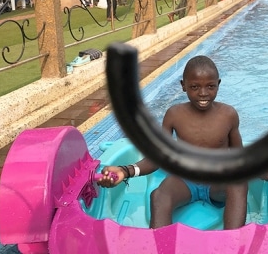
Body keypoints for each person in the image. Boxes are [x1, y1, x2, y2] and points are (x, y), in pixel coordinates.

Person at [98, 55, 248, 230]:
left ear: (218, 84)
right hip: (185, 181)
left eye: (210, 86)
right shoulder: (174, 114)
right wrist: (125, 171)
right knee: (159, 196)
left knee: (238, 184)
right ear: (183, 86)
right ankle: (160, 246)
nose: (203, 93)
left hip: (217, 181)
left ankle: (233, 243)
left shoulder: (228, 114)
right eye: (194, 87)